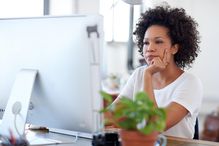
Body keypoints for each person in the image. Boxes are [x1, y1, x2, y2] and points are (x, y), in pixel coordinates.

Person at [116, 5, 203, 139]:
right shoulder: (138, 74)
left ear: (174, 48)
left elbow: (154, 125)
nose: (150, 48)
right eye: (146, 43)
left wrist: (148, 75)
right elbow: (112, 115)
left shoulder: (190, 83)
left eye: (158, 42)